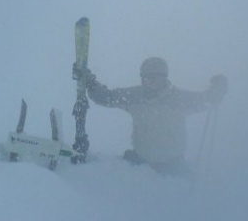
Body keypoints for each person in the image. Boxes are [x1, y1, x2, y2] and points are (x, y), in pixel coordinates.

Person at [73, 57, 227, 177]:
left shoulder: (179, 99)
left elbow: (206, 100)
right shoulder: (134, 96)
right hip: (141, 161)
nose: (151, 81)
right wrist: (90, 82)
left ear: (164, 78)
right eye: (147, 77)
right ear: (142, 78)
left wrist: (216, 91)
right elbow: (106, 97)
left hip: (173, 165)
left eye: (156, 77)